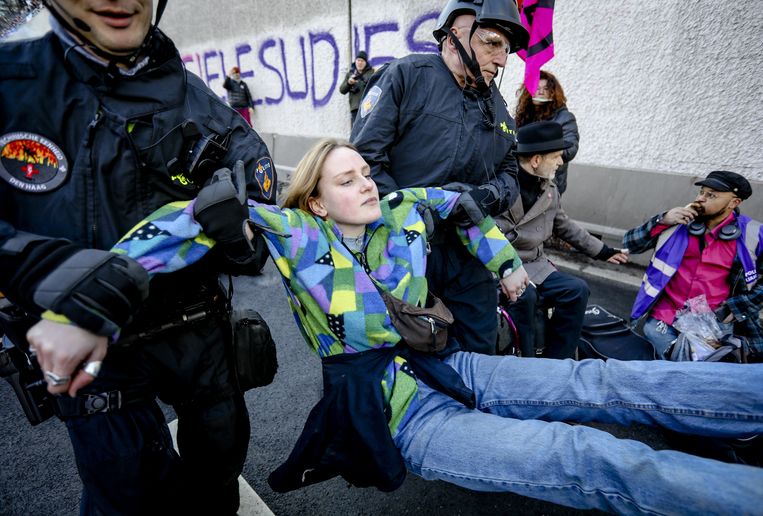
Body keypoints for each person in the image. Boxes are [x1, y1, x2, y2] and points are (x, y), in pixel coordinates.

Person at [118, 139, 763, 515]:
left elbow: (464, 205)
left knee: (597, 380)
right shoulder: (296, 233)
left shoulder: (402, 208)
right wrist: (88, 294)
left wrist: (508, 265)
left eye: (366, 172)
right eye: (348, 179)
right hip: (397, 408)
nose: (368, 183)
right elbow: (194, 216)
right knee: (587, 455)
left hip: (453, 363)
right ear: (316, 198)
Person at [0, 0, 276, 513]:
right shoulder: (15, 86)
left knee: (220, 462)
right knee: (127, 490)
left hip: (196, 321)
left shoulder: (184, 89)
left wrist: (238, 228)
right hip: (98, 349)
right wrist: (59, 275)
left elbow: (256, 184)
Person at [351, 0, 530, 355]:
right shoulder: (406, 76)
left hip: (468, 249)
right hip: (402, 248)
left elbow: (511, 172)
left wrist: (486, 198)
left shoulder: (499, 108)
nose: (502, 59)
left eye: (507, 49)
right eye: (491, 42)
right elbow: (365, 160)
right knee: (405, 349)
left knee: (479, 347)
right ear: (452, 38)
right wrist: (412, 211)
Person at [494, 121, 629, 358]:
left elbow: (565, 226)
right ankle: (526, 361)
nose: (561, 162)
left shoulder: (549, 190)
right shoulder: (500, 186)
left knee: (577, 290)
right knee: (526, 298)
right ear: (536, 160)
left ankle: (559, 359)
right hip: (503, 264)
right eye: (556, 156)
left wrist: (603, 251)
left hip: (536, 265)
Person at [624, 170, 762, 361]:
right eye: (701, 192)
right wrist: (662, 220)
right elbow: (630, 244)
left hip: (714, 324)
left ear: (734, 202)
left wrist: (735, 309)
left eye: (711, 195)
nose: (702, 199)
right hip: (664, 317)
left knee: (691, 374)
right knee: (681, 371)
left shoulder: (754, 234)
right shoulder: (677, 222)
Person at [514, 70, 579, 195]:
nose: (540, 91)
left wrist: (547, 155)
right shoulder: (525, 116)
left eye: (546, 88)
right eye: (536, 88)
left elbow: (571, 146)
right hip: (524, 178)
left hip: (551, 180)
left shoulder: (565, 117)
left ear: (553, 92)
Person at [339, 50, 375, 125]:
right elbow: (342, 90)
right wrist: (349, 83)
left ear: (366, 62)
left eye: (362, 61)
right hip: (355, 108)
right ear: (355, 61)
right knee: (355, 132)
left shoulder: (371, 73)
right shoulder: (350, 74)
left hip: (368, 107)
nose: (360, 63)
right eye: (358, 60)